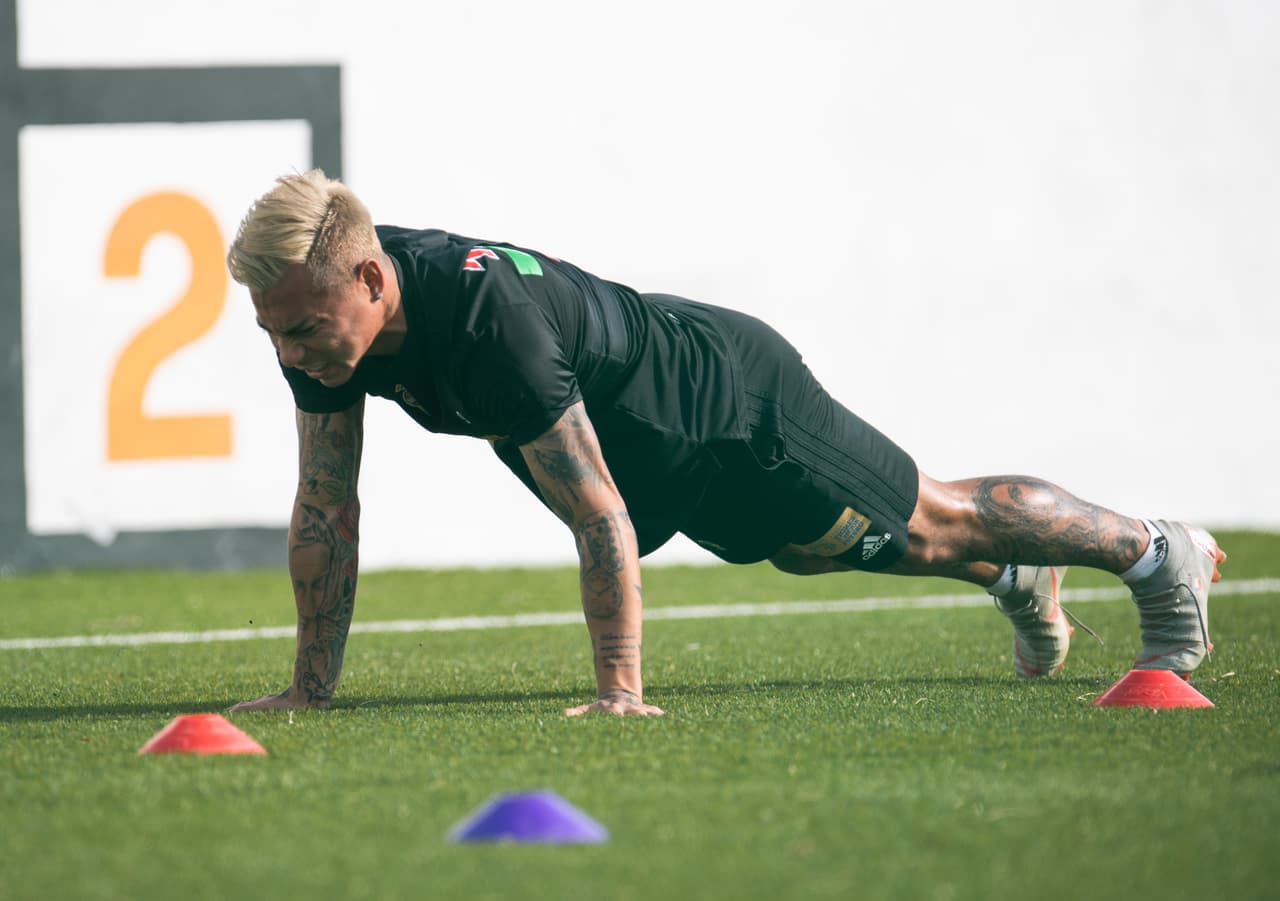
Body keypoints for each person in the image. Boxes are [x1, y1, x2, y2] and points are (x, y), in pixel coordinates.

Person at [224, 170, 1225, 717]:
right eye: (271, 329)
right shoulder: (321, 335)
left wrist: (619, 694)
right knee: (807, 547)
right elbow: (326, 503)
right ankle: (1013, 578)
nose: (288, 349)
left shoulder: (490, 323)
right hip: (659, 447)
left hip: (726, 399)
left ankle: (1151, 548)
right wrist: (308, 690)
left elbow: (596, 511)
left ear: (368, 281)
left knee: (929, 514)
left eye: (301, 326)